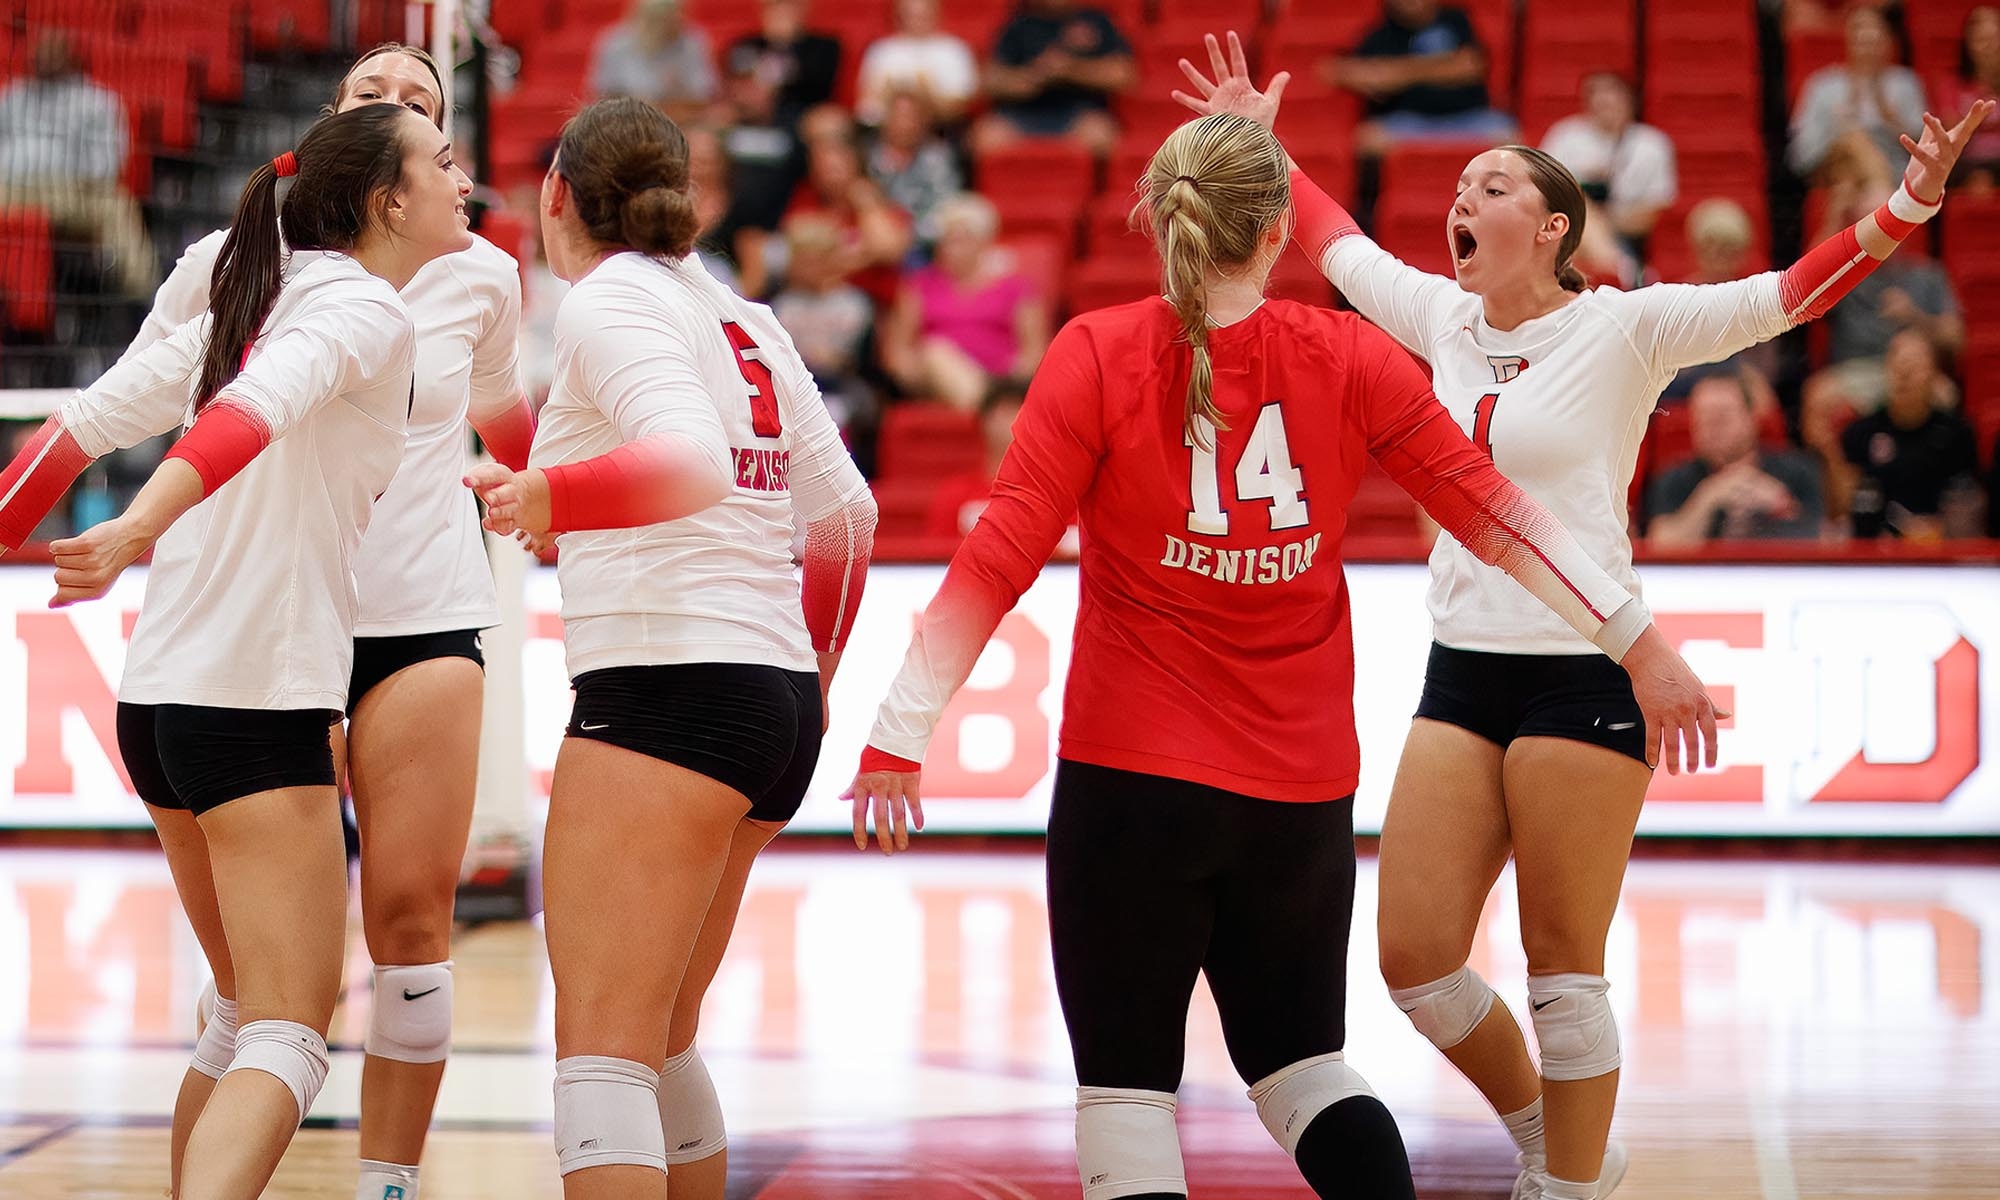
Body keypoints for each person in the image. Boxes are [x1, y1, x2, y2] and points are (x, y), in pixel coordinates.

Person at [845, 111, 1722, 1200]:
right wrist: (1638, 644)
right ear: (1273, 236)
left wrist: (898, 728)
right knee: (1305, 1069)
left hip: (1130, 780)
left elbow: (998, 555)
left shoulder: (1096, 350)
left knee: (1125, 1098)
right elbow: (1499, 516)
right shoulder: (1348, 354)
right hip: (1297, 791)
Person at [1176, 32, 1991, 1200]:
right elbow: (1330, 240)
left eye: (1491, 188)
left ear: (1552, 226)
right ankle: (1553, 1142)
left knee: (1563, 976)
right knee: (1412, 963)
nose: (1460, 201)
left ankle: (1564, 1188)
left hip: (1582, 675)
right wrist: (1260, 138)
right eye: (1457, 191)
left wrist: (1908, 204)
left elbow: (1787, 297)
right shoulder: (1439, 320)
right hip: (1459, 671)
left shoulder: (1624, 328)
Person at [0, 101, 469, 1199]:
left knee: (236, 1015)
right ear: (384, 200)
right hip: (251, 700)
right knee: (290, 1033)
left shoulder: (249, 287)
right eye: (440, 162)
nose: (463, 177)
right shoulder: (359, 310)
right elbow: (247, 414)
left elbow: (86, 420)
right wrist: (132, 530)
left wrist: (26, 512)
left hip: (158, 704)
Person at [120, 44, 536, 1200]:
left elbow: (508, 427)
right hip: (267, 635)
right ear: (343, 137)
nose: (401, 109)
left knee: (410, 932)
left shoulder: (480, 277)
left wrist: (544, 488)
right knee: (261, 997)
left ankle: (387, 1187)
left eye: (425, 104)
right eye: (376, 97)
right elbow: (178, 402)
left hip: (417, 616)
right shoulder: (229, 261)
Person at [462, 97, 876, 1200]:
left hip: (670, 693)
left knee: (601, 1054)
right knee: (659, 1039)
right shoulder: (742, 315)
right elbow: (845, 519)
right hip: (767, 698)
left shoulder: (605, 303)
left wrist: (544, 490)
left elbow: (686, 463)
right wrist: (813, 682)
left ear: (555, 196)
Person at [0, 31, 155, 298]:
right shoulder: (12, 98)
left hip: (69, 193)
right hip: (11, 190)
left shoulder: (95, 101)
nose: (44, 59)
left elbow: (107, 163)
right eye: (40, 53)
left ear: (70, 57)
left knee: (118, 206)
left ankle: (140, 300)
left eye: (53, 53)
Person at [880, 193, 1048, 411]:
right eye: (946, 240)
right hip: (934, 383)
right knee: (935, 351)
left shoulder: (1016, 288)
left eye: (961, 239)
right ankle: (987, 408)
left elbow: (1034, 352)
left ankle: (985, 401)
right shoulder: (919, 285)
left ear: (984, 242)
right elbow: (898, 350)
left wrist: (1010, 376)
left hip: (1001, 381)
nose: (951, 248)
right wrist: (919, 375)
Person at [1835, 327, 1982, 537]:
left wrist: (1938, 529)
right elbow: (1843, 508)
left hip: (1938, 553)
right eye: (1897, 364)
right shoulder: (1860, 433)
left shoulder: (1957, 435)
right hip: (1873, 555)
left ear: (1935, 374)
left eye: (1914, 366)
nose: (1904, 374)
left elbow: (1968, 506)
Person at [1645, 375, 1823, 545]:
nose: (1712, 428)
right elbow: (1659, 546)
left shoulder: (1797, 471)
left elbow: (1823, 539)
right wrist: (1709, 497)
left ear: (1751, 418)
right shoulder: (1673, 480)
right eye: (1703, 419)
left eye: (1722, 418)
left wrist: (1781, 506)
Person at [1325, 0, 1514, 156]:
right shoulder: (1380, 34)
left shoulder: (1456, 20)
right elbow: (1336, 71)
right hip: (1407, 122)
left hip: (1469, 118)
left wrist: (1395, 73)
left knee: (1512, 139)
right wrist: (1445, 67)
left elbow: (1470, 66)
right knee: (1368, 138)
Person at [972, 0, 1136, 158]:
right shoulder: (1018, 24)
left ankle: (1101, 187)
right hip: (1021, 113)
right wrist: (1036, 75)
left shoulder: (1097, 21)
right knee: (984, 137)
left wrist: (1069, 69)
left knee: (1102, 135)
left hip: (1080, 113)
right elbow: (991, 80)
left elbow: (1123, 74)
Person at [1788, 7, 1926, 191]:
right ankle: (1884, 200)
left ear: (1888, 42)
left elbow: (1925, 148)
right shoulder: (1823, 84)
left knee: (1847, 184)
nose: (1868, 50)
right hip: (1830, 165)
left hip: (1889, 165)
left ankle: (1865, 196)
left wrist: (1893, 122)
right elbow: (1803, 151)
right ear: (1848, 41)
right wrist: (1839, 129)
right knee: (1854, 140)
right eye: (1862, 41)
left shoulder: (1905, 83)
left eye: (1874, 41)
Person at [1540, 73, 1677, 257]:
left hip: (1624, 234)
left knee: (1584, 219)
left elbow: (1656, 209)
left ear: (1631, 102)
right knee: (1577, 204)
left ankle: (1614, 267)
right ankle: (1620, 271)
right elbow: (1542, 191)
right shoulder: (1565, 135)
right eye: (1600, 102)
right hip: (1566, 230)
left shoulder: (1652, 144)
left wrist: (1600, 220)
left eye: (1613, 102)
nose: (1607, 108)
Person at [770, 211, 876, 434]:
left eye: (815, 260)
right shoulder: (780, 306)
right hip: (795, 386)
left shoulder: (855, 304)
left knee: (866, 404)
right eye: (802, 260)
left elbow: (865, 362)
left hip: (843, 385)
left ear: (831, 259)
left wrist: (839, 360)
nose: (808, 267)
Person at [867, 87, 965, 249]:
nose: (904, 124)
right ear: (885, 118)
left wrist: (909, 236)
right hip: (874, 241)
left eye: (911, 117)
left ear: (924, 122)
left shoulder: (938, 158)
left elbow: (946, 207)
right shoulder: (864, 157)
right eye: (898, 115)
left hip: (924, 244)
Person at [588, 0, 717, 121]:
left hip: (682, 121)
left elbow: (705, 95)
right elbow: (602, 95)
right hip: (626, 121)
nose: (678, 20)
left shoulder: (692, 42)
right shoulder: (615, 43)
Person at [856, 0, 979, 126]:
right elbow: (867, 104)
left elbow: (959, 108)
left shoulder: (954, 50)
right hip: (886, 129)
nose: (916, 21)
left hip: (940, 129)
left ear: (936, 14)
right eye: (910, 15)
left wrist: (925, 98)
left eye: (922, 15)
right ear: (899, 16)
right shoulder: (881, 51)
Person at [725, 0, 841, 128]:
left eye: (788, 6)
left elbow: (817, 86)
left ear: (803, 9)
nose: (781, 13)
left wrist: (782, 45)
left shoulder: (824, 46)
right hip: (750, 112)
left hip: (801, 112)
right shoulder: (746, 44)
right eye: (775, 6)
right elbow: (737, 82)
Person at [1942, 5, 2000, 190]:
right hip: (1967, 162)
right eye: (1982, 40)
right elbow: (1951, 135)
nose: (1990, 47)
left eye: (1995, 39)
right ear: (1968, 45)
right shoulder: (1953, 84)